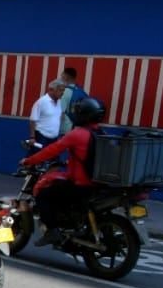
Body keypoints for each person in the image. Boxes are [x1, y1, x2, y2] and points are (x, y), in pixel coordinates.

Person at [21, 97, 106, 246]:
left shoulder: (77, 134)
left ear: (84, 114)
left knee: (43, 194)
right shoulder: (101, 133)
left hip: (81, 184)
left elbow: (52, 150)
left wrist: (29, 160)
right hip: (96, 183)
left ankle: (52, 231)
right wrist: (68, 162)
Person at [28, 79, 67, 146]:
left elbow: (59, 118)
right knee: (38, 156)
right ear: (52, 89)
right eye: (60, 90)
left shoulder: (59, 102)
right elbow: (33, 120)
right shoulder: (42, 102)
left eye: (63, 90)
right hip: (41, 137)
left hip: (54, 138)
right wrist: (32, 137)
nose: (62, 92)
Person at [57, 66, 89, 136]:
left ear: (66, 77)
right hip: (80, 129)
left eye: (62, 76)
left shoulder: (64, 92)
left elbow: (60, 113)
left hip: (66, 130)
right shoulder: (81, 91)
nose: (60, 78)